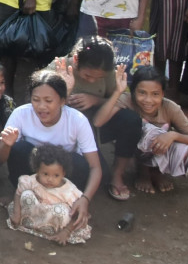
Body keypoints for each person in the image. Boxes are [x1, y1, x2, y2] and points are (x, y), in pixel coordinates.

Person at [0, 70, 101, 230]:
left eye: (48, 100)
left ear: (63, 101)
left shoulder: (77, 120)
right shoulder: (21, 114)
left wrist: (85, 199)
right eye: (36, 100)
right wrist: (6, 144)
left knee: (79, 162)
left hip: (62, 180)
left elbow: (95, 167)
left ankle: (67, 202)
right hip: (33, 174)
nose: (41, 107)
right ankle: (19, 193)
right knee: (19, 148)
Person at [53, 38, 142, 201]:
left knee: (131, 120)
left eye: (98, 78)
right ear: (76, 60)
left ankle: (118, 174)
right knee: (94, 176)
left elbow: (122, 97)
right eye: (88, 75)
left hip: (97, 124)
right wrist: (67, 90)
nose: (92, 80)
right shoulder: (58, 68)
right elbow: (40, 105)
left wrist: (95, 100)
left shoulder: (108, 73)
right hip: (66, 130)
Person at [94, 65, 188, 195]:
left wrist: (173, 135)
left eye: (155, 94)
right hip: (133, 151)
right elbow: (98, 122)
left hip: (157, 150)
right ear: (133, 92)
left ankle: (157, 172)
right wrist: (118, 92)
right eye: (142, 93)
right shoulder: (127, 99)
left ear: (163, 94)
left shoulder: (170, 108)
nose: (148, 100)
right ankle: (142, 172)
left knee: (185, 152)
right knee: (141, 126)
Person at [7, 144, 92, 244]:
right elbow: (18, 193)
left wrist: (67, 231)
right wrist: (17, 213)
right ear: (38, 170)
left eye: (56, 175)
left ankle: (56, 233)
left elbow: (80, 215)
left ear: (63, 173)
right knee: (26, 195)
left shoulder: (70, 192)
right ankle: (27, 223)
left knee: (61, 211)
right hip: (34, 216)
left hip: (56, 225)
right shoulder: (31, 181)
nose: (50, 179)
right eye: (45, 174)